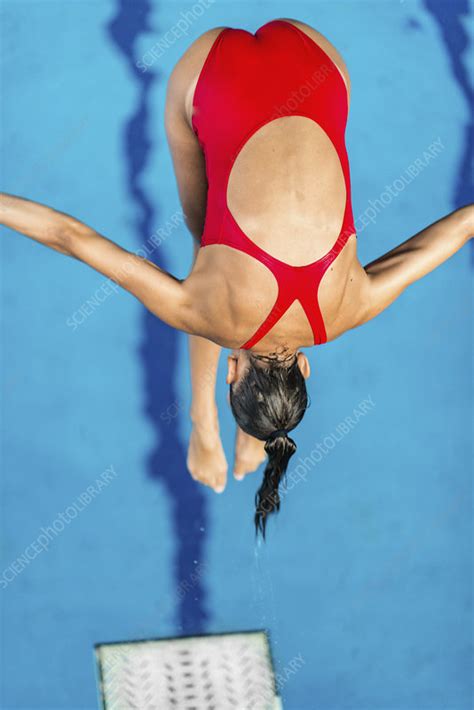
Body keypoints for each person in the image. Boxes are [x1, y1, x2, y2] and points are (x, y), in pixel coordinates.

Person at [1, 18, 472, 536]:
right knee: (206, 248)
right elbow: (72, 238)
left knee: (215, 263)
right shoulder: (201, 313)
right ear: (231, 372)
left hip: (320, 57)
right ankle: (208, 421)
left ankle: (242, 426)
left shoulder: (355, 305)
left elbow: (454, 233)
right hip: (209, 69)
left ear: (307, 370)